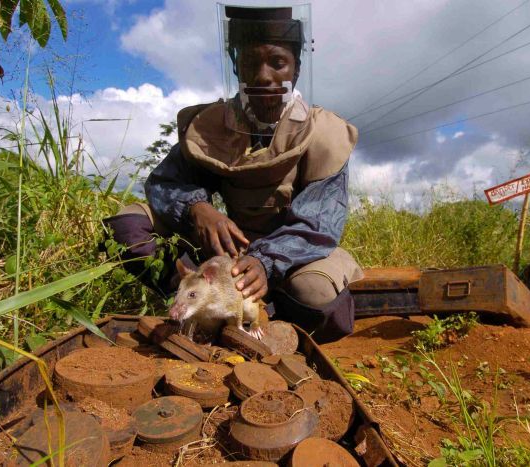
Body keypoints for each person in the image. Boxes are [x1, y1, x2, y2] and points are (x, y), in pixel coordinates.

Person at [104, 4, 363, 342]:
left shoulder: (325, 135)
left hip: (295, 258)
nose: (263, 76)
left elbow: (318, 225)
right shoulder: (211, 127)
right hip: (227, 261)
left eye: (278, 63)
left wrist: (265, 263)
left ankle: (266, 313)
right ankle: (200, 306)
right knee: (126, 228)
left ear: (296, 69)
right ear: (236, 66)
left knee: (314, 295)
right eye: (250, 63)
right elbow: (164, 182)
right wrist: (197, 208)